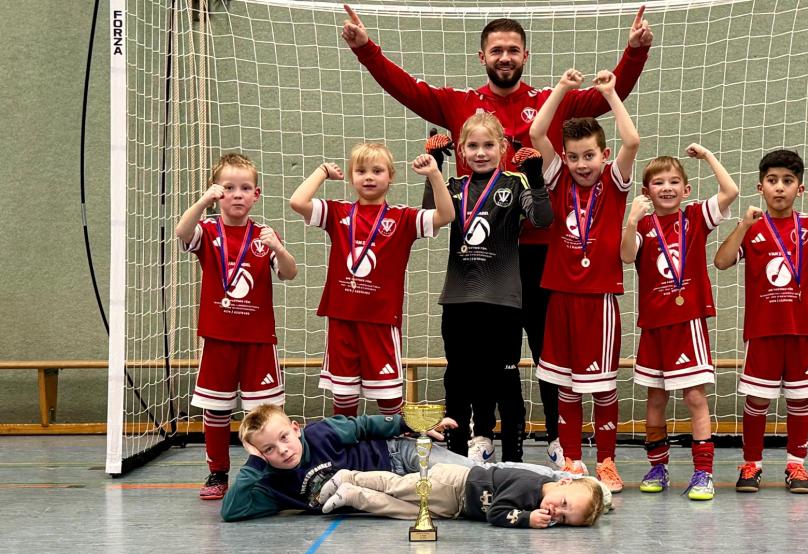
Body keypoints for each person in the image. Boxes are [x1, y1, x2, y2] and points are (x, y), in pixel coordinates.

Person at [342, 5, 653, 466]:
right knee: (486, 354)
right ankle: (483, 433)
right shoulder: (458, 103)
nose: (504, 57)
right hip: (482, 259)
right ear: (481, 56)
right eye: (496, 50)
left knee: (549, 350)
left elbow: (607, 98)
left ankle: (556, 438)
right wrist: (366, 49)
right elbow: (405, 88)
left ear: (526, 55)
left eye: (512, 50)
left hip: (545, 254)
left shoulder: (552, 102)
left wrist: (635, 53)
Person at [714, 149, 808, 494]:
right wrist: (743, 225)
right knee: (757, 400)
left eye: (787, 181)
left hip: (803, 329)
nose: (779, 187)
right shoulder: (752, 228)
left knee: (800, 401)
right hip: (763, 331)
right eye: (772, 181)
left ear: (800, 188)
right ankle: (751, 464)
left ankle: (796, 466)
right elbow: (721, 261)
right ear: (760, 187)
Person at [529, 68, 640, 493]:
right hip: (560, 296)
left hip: (599, 299)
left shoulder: (614, 182)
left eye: (589, 156)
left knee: (602, 387)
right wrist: (561, 89)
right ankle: (573, 460)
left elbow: (633, 141)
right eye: (573, 157)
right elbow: (537, 132)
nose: (581, 165)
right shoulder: (558, 179)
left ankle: (607, 462)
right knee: (565, 385)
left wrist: (610, 94)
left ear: (603, 154)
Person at [421, 113, 553, 463]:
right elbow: (429, 219)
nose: (481, 153)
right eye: (473, 146)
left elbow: (543, 219)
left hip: (502, 300)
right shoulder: (454, 186)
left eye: (489, 145)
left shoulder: (516, 183)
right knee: (458, 381)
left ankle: (512, 461)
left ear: (503, 147)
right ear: (461, 150)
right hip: (458, 298)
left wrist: (536, 177)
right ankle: (456, 460)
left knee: (504, 381)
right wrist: (434, 170)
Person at [289, 145, 454, 417]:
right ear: (352, 177)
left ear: (390, 177)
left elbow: (445, 215)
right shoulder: (338, 212)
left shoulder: (402, 218)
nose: (368, 177)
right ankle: (345, 443)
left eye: (377, 171)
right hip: (342, 319)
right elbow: (298, 202)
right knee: (343, 397)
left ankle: (394, 443)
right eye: (361, 171)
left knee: (389, 397)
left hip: (381, 322)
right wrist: (322, 171)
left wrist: (434, 174)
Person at [174, 153, 298, 500]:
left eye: (245, 188)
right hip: (218, 338)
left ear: (256, 194)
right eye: (228, 188)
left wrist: (279, 248)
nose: (237, 194)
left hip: (258, 340)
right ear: (217, 192)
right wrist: (203, 202)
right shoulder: (208, 230)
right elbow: (182, 232)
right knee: (216, 410)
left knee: (265, 413)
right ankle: (217, 472)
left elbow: (289, 273)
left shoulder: (263, 234)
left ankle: (272, 473)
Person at [221, 403, 582, 522]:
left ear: (296, 429)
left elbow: (366, 425)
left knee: (482, 474)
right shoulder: (271, 483)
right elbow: (231, 510)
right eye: (269, 449)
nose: (283, 450)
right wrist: (253, 462)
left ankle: (564, 479)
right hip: (393, 492)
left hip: (398, 456)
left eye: (284, 438)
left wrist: (413, 424)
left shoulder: (321, 433)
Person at [619, 145, 739, 500]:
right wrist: (631, 219)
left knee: (694, 397)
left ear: (686, 189)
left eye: (674, 182)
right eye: (658, 183)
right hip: (654, 325)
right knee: (655, 398)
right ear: (647, 191)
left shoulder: (696, 217)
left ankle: (703, 473)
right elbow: (626, 256)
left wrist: (708, 157)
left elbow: (730, 191)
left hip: (688, 323)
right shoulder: (642, 225)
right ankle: (658, 466)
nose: (667, 188)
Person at [319, 464, 606, 528]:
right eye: (564, 503)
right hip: (455, 484)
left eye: (564, 519)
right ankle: (350, 477)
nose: (557, 512)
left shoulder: (542, 500)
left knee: (403, 511)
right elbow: (496, 513)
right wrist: (527, 519)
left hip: (458, 508)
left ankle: (354, 495)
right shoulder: (530, 486)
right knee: (399, 486)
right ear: (563, 481)